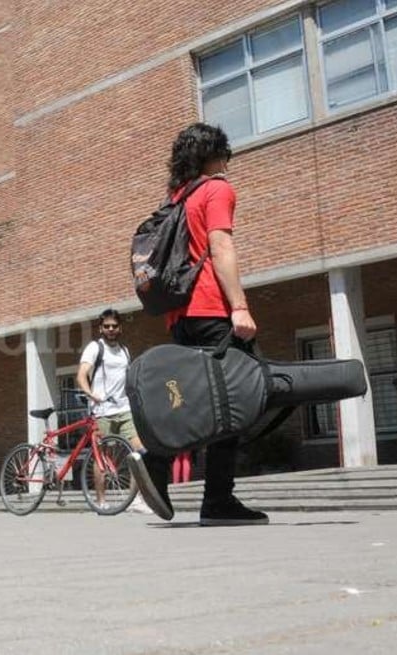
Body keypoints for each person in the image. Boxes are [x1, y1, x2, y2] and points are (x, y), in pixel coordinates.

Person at [128, 122, 268, 526]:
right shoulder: (216, 189)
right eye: (224, 155)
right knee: (236, 398)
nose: (227, 163)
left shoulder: (177, 197)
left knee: (200, 399)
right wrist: (239, 306)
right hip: (211, 308)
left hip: (180, 314)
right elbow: (221, 246)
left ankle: (160, 462)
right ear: (214, 154)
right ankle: (212, 496)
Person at [75, 309, 151, 515]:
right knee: (103, 455)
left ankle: (135, 500)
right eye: (106, 326)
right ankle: (101, 501)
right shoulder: (95, 347)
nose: (110, 329)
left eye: (114, 326)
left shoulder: (124, 351)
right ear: (101, 328)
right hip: (102, 411)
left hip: (124, 409)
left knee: (139, 453)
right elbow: (81, 375)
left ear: (120, 328)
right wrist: (91, 394)